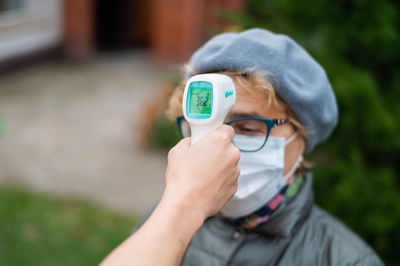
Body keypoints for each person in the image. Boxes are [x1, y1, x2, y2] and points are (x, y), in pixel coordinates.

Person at [135, 28, 384, 265]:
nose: (220, 146)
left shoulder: (347, 260)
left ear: (301, 137)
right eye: (206, 127)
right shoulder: (164, 221)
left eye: (248, 129)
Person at [100, 125, 241, 266]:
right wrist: (188, 202)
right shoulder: (163, 209)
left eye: (248, 129)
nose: (217, 145)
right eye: (196, 128)